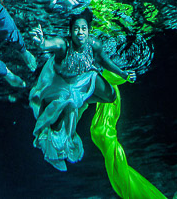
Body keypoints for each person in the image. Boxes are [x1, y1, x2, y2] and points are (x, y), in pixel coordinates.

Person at [28, 9, 136, 171]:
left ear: (89, 30)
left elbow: (105, 62)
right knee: (58, 124)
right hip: (59, 85)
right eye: (76, 29)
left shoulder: (94, 45)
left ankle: (79, 101)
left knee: (111, 96)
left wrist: (123, 73)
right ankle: (54, 148)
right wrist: (41, 42)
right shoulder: (63, 45)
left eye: (84, 29)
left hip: (82, 79)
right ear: (70, 32)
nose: (80, 32)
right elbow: (48, 44)